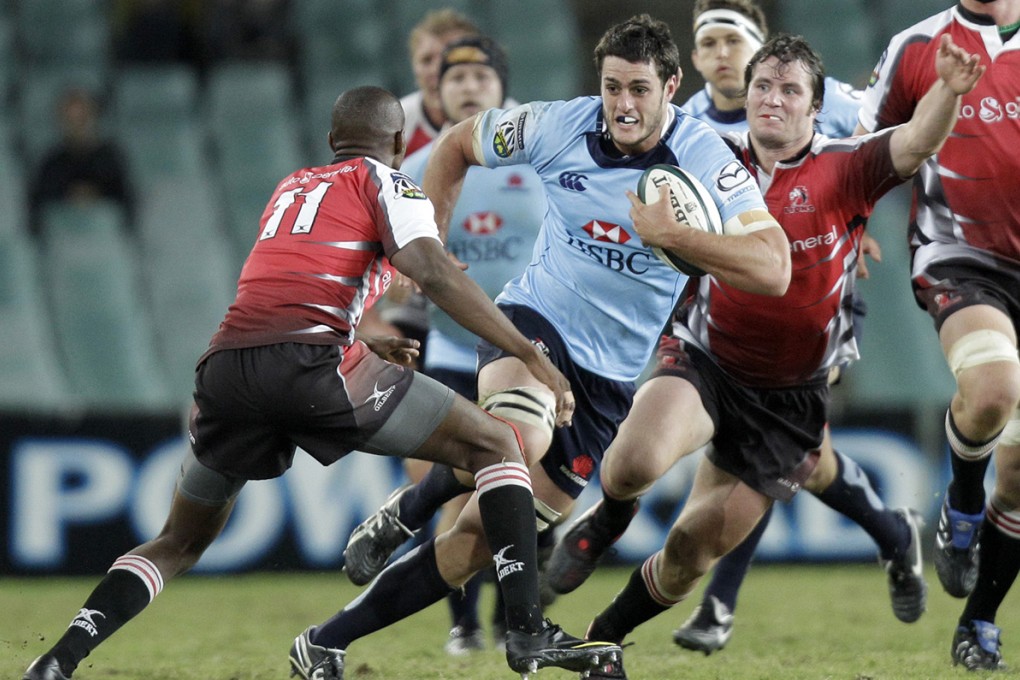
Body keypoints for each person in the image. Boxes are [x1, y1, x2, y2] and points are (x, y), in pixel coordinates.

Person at [21, 85, 622, 680]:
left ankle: (58, 660)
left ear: (332, 140)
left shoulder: (289, 188)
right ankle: (525, 628)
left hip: (227, 366)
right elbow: (432, 271)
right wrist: (528, 354)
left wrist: (359, 342)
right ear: (395, 142)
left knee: (178, 541)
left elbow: (290, 293)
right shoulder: (388, 181)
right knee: (499, 445)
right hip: (311, 366)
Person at [321, 12, 790, 676]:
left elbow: (774, 268)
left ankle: (330, 633)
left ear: (671, 85)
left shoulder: (706, 158)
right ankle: (528, 632)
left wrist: (676, 236)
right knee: (518, 439)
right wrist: (431, 231)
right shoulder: (554, 125)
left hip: (610, 379)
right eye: (612, 87)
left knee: (478, 539)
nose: (623, 105)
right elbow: (457, 142)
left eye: (639, 90)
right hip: (532, 320)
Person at [550, 32, 983, 679]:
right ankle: (607, 516)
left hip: (790, 395)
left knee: (690, 553)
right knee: (633, 460)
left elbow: (918, 141)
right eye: (762, 87)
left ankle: (601, 638)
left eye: (789, 90)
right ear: (745, 97)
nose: (772, 100)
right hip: (705, 357)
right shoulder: (705, 155)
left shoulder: (847, 165)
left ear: (815, 107)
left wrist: (948, 89)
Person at [663, 0, 898, 654]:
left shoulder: (814, 100)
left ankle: (717, 606)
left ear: (762, 51)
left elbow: (880, 148)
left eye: (730, 41)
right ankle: (891, 532)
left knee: (770, 446)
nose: (717, 54)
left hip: (814, 301)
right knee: (805, 459)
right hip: (718, 302)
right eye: (704, 41)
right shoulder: (685, 127)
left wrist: (859, 223)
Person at [855, 0, 1020, 670]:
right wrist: (857, 216)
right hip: (961, 255)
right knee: (991, 390)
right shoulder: (917, 46)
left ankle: (977, 621)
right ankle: (961, 501)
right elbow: (866, 141)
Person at [388, 34, 548, 656]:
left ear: (503, 88)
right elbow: (390, 270)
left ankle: (518, 611)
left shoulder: (541, 157)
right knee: (452, 482)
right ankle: (464, 621)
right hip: (453, 347)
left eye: (483, 75)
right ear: (437, 90)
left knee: (532, 485)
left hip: (535, 346)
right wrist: (405, 272)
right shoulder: (413, 170)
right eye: (457, 78)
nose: (470, 86)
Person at [29, 87, 135, 235]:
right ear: (61, 121)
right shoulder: (51, 162)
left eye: (82, 119)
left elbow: (126, 204)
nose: (76, 125)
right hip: (62, 240)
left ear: (94, 117)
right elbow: (37, 207)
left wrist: (95, 198)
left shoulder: (111, 158)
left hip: (105, 240)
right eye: (70, 120)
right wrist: (69, 198)